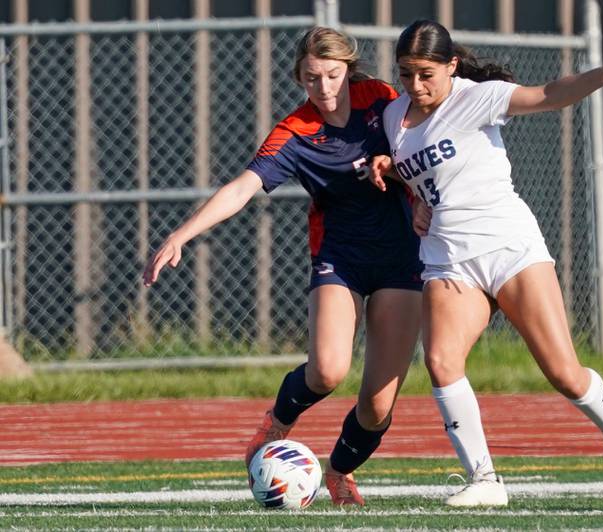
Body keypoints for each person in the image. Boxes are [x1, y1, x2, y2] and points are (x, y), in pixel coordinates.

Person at [370, 19, 603, 507]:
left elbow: (548, 94)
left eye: (426, 74)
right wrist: (402, 181)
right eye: (405, 74)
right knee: (440, 362)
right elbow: (425, 166)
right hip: (447, 258)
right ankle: (484, 479)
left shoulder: (474, 98)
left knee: (564, 373)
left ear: (451, 66)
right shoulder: (394, 115)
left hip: (508, 248)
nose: (415, 85)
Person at [142, 26, 423, 507]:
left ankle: (337, 472)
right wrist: (181, 233)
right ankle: (276, 424)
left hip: (401, 258)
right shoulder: (295, 132)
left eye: (333, 75)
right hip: (341, 256)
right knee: (327, 372)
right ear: (299, 77)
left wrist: (418, 192)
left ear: (348, 71)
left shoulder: (383, 99)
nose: (325, 88)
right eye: (312, 78)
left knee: (376, 407)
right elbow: (241, 187)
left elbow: (425, 141)